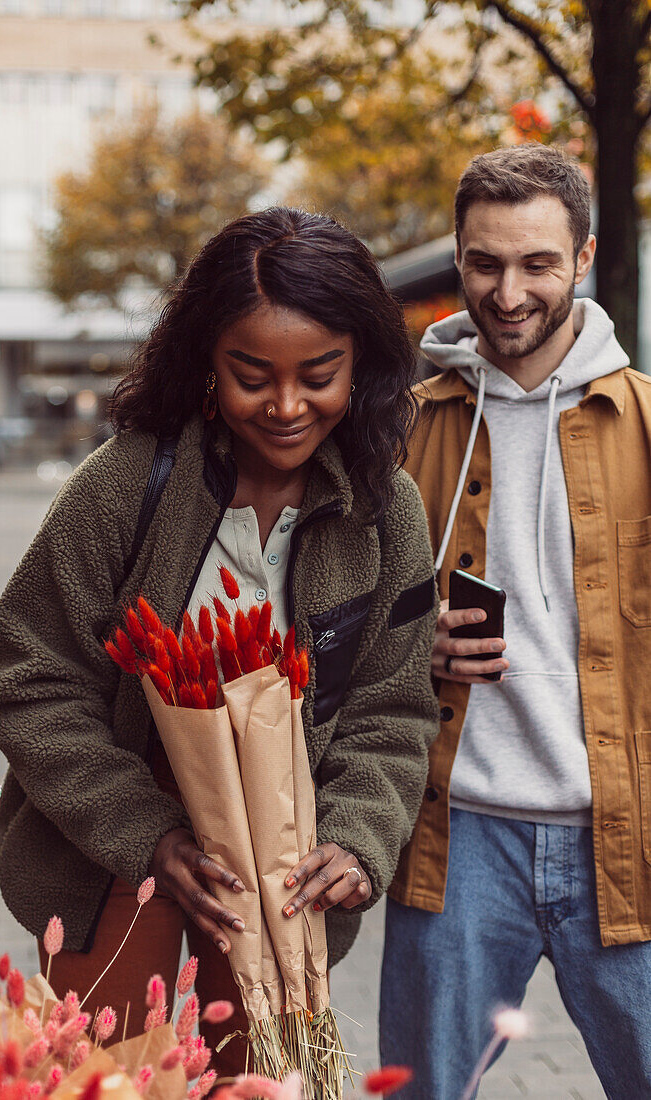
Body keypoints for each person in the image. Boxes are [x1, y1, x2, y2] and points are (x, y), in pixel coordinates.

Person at [0, 206, 439, 1071]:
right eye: (252, 375)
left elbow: (393, 705)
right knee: (99, 1074)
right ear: (205, 362)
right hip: (108, 834)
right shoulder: (124, 486)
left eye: (320, 375)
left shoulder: (389, 513)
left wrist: (358, 836)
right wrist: (145, 830)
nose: (288, 405)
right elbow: (28, 683)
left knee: (268, 1072)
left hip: (284, 846)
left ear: (363, 365)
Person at [379, 141, 651, 1099]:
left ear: (582, 258)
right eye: (484, 262)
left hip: (628, 843)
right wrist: (414, 643)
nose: (506, 291)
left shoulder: (647, 427)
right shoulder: (401, 433)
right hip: (454, 845)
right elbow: (333, 626)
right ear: (458, 259)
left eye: (536, 263)